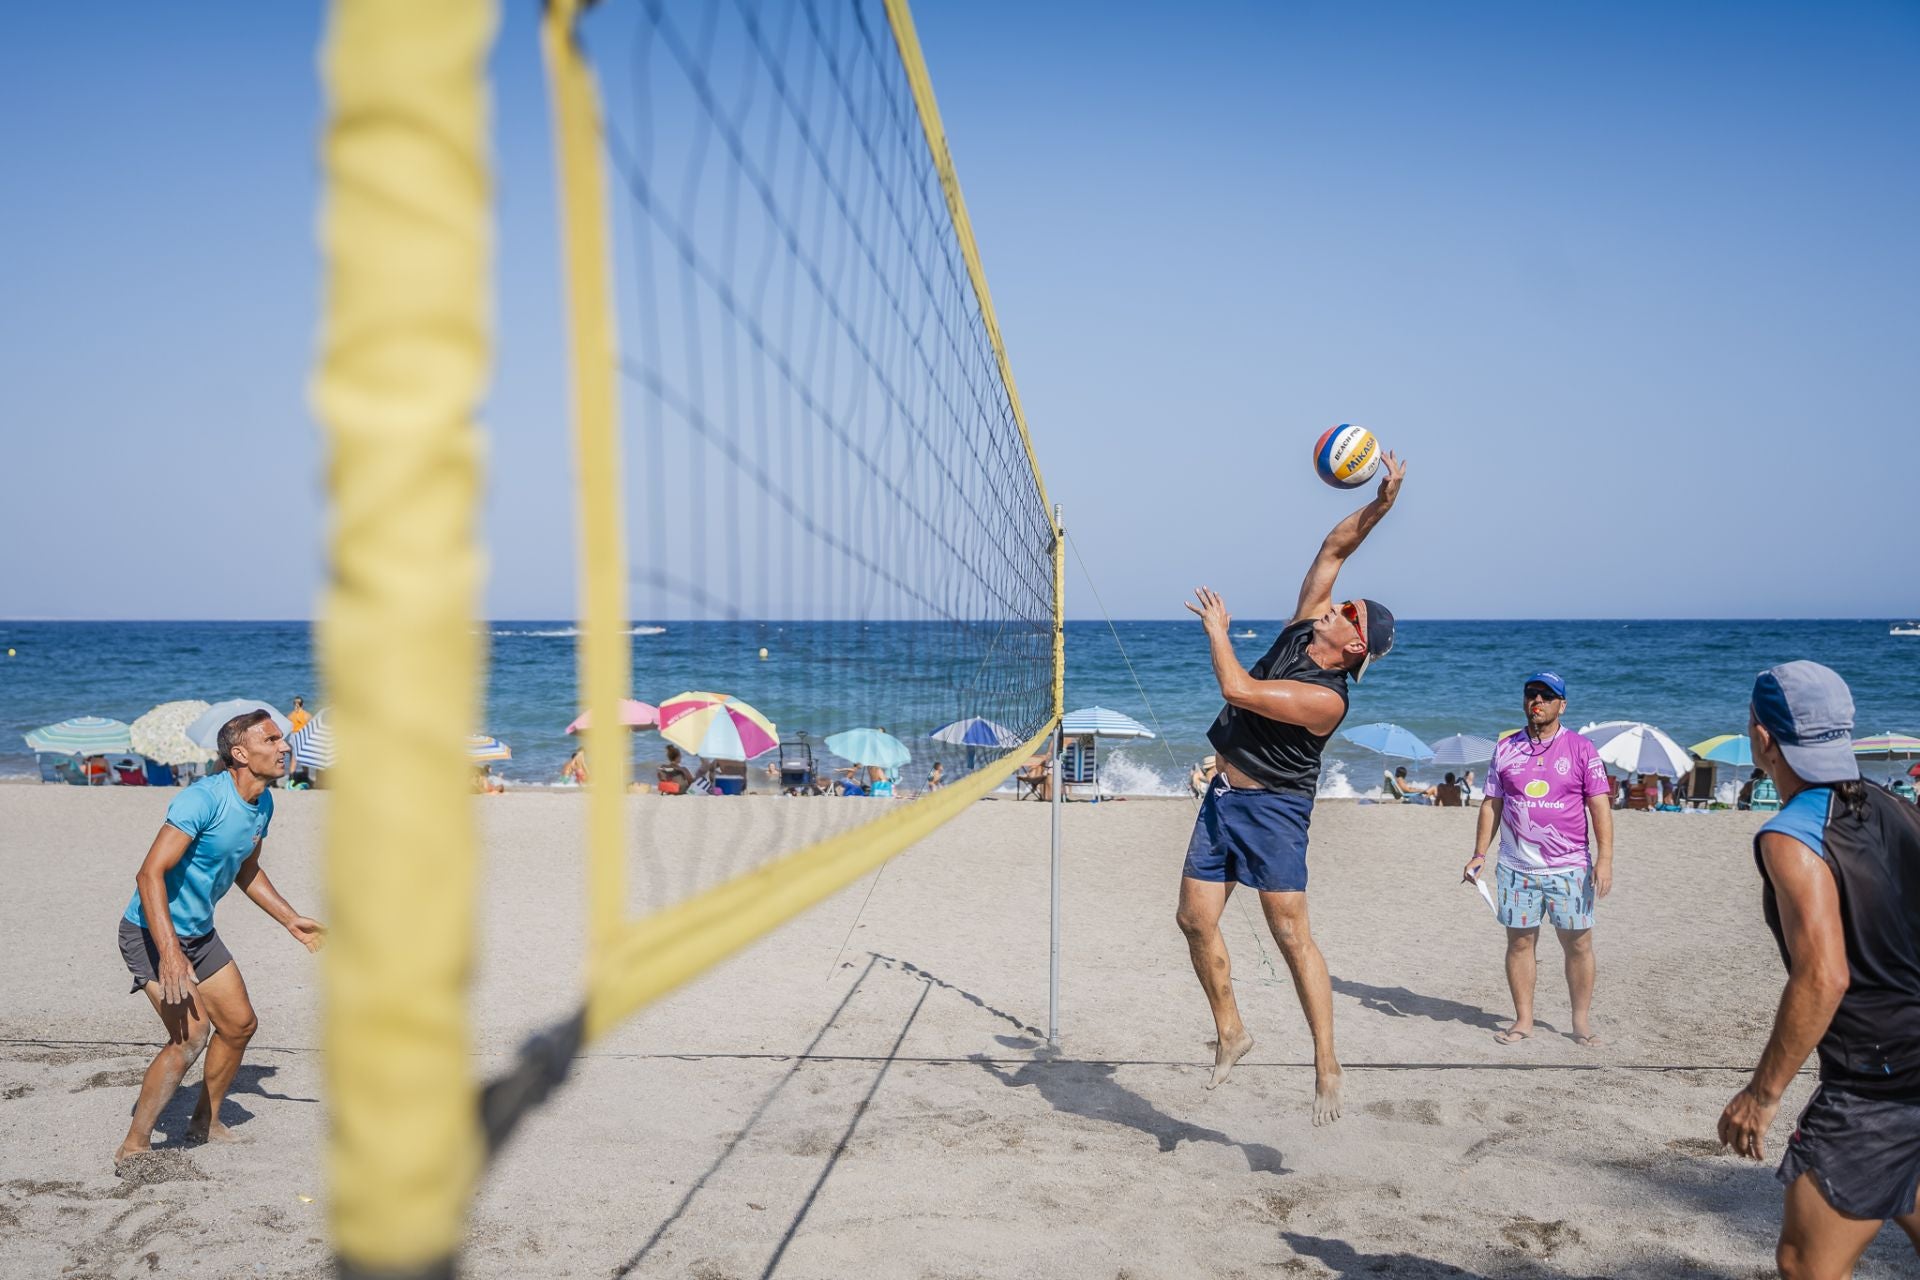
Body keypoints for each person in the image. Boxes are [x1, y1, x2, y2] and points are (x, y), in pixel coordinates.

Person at [1176, 452, 1404, 1125]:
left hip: (1276, 811)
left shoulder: (1327, 699)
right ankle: (1231, 1031)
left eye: (1349, 611)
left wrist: (1218, 632)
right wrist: (1383, 503)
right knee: (1193, 920)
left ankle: (1326, 1062)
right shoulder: (1308, 623)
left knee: (1290, 936)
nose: (1337, 605)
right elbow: (1336, 545)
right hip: (1224, 798)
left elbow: (1237, 688)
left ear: (1356, 645)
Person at [1719, 661, 1920, 1278]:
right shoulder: (1898, 807)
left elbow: (1823, 977)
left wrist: (1762, 1094)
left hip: (1876, 1085)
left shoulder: (1790, 836)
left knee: (1804, 1264)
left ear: (1761, 738)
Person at [114, 710, 325, 1167]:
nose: (283, 747)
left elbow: (247, 870)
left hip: (199, 935)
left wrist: (289, 919)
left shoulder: (263, 803)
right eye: (271, 740)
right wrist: (169, 953)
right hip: (151, 933)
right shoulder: (202, 800)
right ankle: (135, 1144)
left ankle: (203, 1122)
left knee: (239, 1025)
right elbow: (149, 873)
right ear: (240, 753)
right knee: (190, 1037)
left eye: (281, 739)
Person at [1462, 671, 1614, 1048]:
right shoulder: (1506, 747)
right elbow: (1492, 803)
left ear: (1562, 704)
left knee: (1578, 944)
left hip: (1569, 868)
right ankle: (1523, 1020)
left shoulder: (1581, 749)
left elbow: (1599, 807)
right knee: (1519, 944)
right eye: (1532, 694)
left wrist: (1605, 859)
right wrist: (1480, 853)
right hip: (1516, 868)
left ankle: (1580, 1022)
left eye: (1547, 696)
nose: (1538, 701)